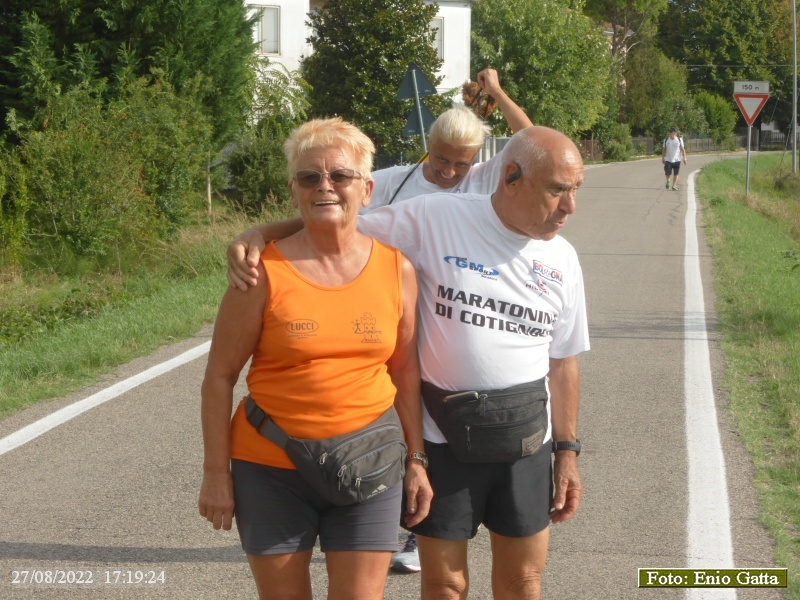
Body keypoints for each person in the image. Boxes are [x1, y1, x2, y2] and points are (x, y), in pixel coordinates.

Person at [224, 125, 588, 600]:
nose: (569, 207)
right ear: (512, 176)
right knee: (446, 585)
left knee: (523, 584)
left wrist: (566, 452)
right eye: (557, 190)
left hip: (525, 441)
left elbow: (562, 363)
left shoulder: (564, 259)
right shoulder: (435, 216)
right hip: (444, 438)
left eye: (575, 190)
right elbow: (337, 217)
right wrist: (260, 234)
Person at [198, 117, 433, 600]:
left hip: (369, 463)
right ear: (294, 191)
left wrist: (417, 460)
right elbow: (219, 377)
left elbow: (405, 373)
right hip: (270, 468)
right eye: (309, 177)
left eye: (340, 175)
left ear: (366, 189)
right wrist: (216, 474)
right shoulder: (260, 272)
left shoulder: (397, 270)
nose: (325, 186)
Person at [662, 126, 687, 191]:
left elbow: (683, 149)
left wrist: (684, 158)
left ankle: (674, 185)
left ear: (676, 133)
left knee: (676, 173)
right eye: (671, 133)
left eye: (674, 133)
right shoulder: (666, 140)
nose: (672, 135)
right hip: (668, 159)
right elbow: (664, 150)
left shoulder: (679, 140)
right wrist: (663, 158)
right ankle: (668, 181)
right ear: (669, 133)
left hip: (677, 160)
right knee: (667, 173)